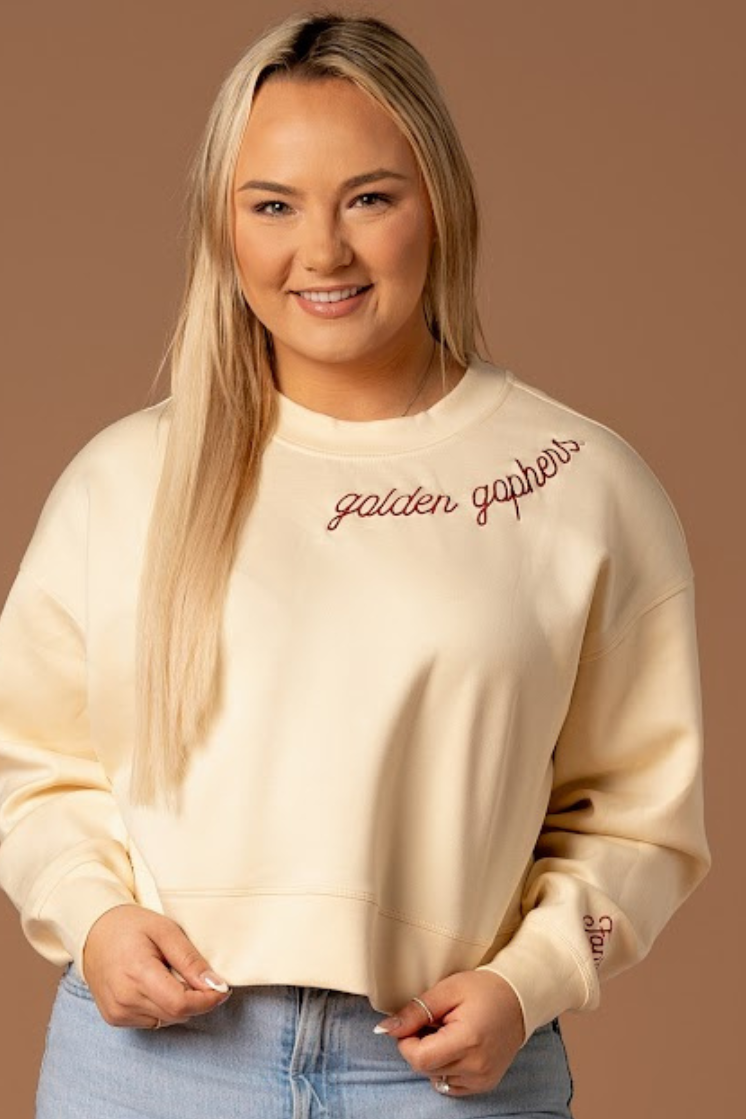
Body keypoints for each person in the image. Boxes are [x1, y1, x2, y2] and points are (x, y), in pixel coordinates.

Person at [0, 10, 710, 1119]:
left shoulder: (581, 485)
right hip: (147, 1068)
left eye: (368, 198)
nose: (320, 252)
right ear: (220, 226)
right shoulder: (123, 482)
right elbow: (30, 767)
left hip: (448, 1073)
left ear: (441, 205)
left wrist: (529, 982)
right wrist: (89, 916)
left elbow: (639, 822)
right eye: (271, 205)